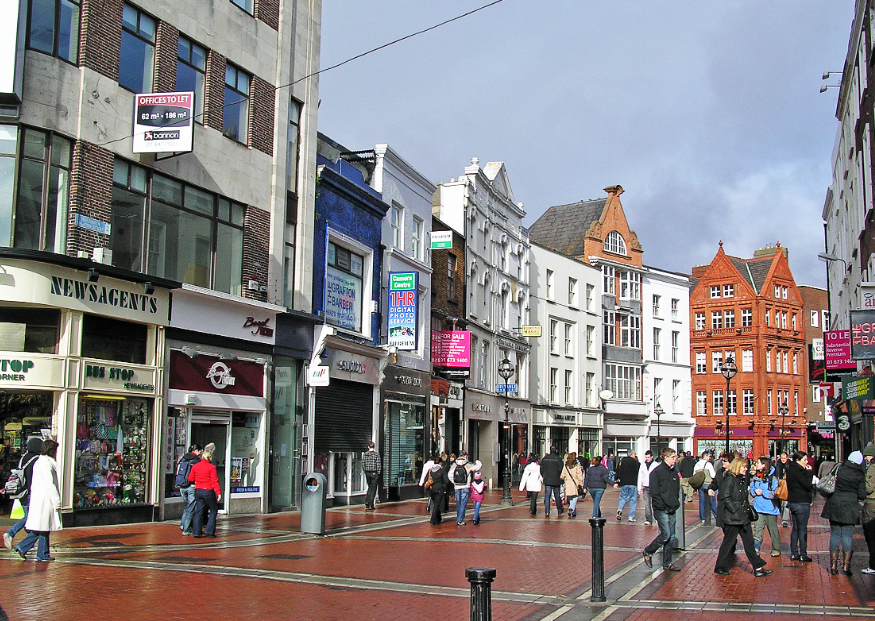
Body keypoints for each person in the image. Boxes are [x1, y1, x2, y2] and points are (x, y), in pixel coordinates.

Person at [713, 457, 771, 577]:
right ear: (737, 467)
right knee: (728, 543)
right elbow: (725, 497)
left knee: (749, 543)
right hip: (733, 518)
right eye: (744, 467)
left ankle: (758, 568)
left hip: (743, 517)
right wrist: (734, 510)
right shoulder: (730, 479)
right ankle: (720, 566)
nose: (746, 469)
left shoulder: (741, 480)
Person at [14, 439, 62, 562]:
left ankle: (39, 552)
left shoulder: (40, 462)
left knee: (42, 528)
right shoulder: (46, 464)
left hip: (40, 498)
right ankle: (36, 551)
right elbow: (50, 484)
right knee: (43, 528)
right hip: (45, 500)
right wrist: (57, 501)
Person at [821, 450, 867, 575]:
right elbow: (862, 494)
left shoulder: (839, 468)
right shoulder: (859, 474)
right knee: (847, 535)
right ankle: (846, 566)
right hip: (850, 507)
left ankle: (833, 565)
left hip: (834, 504)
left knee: (835, 534)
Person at [642, 448, 681, 572]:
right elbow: (654, 492)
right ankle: (648, 551)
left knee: (671, 537)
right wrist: (661, 505)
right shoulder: (656, 472)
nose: (675, 459)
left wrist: (675, 502)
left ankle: (667, 563)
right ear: (665, 458)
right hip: (661, 509)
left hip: (672, 507)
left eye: (675, 457)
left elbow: (676, 489)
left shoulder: (674, 471)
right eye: (673, 457)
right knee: (666, 535)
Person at [3, 437, 43, 550]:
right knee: (31, 517)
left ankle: (30, 541)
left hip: (21, 492)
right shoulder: (37, 459)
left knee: (29, 517)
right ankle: (11, 533)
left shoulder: (23, 458)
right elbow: (33, 479)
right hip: (30, 492)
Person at [786, 451, 815, 562]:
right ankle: (803, 553)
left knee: (795, 529)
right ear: (798, 461)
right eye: (804, 460)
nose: (806, 462)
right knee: (802, 529)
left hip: (793, 502)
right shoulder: (799, 471)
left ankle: (794, 553)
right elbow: (807, 484)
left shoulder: (790, 469)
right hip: (802, 502)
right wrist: (809, 472)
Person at [749, 457, 781, 558]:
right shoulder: (755, 477)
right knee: (758, 528)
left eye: (758, 463)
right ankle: (756, 548)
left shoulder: (772, 478)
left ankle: (776, 548)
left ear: (764, 465)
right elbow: (752, 489)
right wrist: (754, 492)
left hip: (770, 508)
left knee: (773, 529)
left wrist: (764, 492)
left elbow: (775, 493)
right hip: (758, 507)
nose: (756, 465)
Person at [189, 446, 222, 538]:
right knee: (213, 509)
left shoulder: (196, 466)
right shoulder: (211, 467)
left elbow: (190, 478)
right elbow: (214, 481)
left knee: (199, 511)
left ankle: (197, 532)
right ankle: (209, 530)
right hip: (208, 490)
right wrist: (218, 493)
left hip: (198, 490)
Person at [448, 450, 482, 525]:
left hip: (457, 486)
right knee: (463, 503)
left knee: (458, 503)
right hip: (465, 486)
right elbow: (478, 467)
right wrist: (478, 461)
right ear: (465, 456)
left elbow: (449, 475)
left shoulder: (454, 464)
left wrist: (454, 482)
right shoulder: (468, 464)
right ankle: (460, 520)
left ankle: (459, 518)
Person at [178, 444, 202, 536]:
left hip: (182, 485)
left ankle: (183, 524)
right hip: (191, 486)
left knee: (186, 506)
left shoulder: (183, 458)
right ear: (197, 451)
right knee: (191, 508)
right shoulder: (196, 461)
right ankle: (186, 529)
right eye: (200, 451)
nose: (201, 453)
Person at [614, 451, 640, 521]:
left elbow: (618, 471)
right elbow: (639, 473)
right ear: (632, 454)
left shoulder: (621, 461)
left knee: (623, 498)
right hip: (633, 483)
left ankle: (620, 509)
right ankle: (631, 516)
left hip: (624, 483)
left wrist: (616, 480)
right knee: (633, 500)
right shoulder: (636, 463)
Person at [694, 451, 718, 525]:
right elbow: (713, 475)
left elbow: (694, 474)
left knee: (702, 501)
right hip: (708, 484)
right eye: (709, 456)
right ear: (706, 456)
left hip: (700, 484)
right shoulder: (708, 464)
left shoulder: (697, 464)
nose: (710, 458)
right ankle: (717, 516)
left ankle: (703, 517)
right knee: (712, 501)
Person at [540, 446, 564, 517]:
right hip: (556, 480)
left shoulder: (545, 459)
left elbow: (541, 469)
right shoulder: (558, 459)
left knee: (547, 496)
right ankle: (559, 510)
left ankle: (547, 511)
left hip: (547, 480)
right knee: (557, 495)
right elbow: (561, 469)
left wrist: (544, 476)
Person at [862, 444, 875, 575]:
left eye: (867, 456)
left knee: (871, 534)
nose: (866, 458)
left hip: (872, 504)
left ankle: (873, 565)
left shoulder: (872, 468)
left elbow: (869, 487)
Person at [424, 459, 449, 525]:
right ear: (440, 463)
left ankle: (438, 518)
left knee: (436, 504)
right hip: (440, 489)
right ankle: (433, 519)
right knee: (436, 505)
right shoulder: (442, 470)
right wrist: (445, 488)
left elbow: (427, 479)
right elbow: (446, 481)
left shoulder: (431, 470)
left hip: (432, 489)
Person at [561, 452, 584, 518]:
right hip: (575, 483)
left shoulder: (566, 466)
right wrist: (581, 484)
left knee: (570, 498)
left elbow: (562, 475)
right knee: (575, 497)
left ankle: (573, 512)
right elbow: (579, 476)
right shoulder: (576, 466)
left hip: (568, 483)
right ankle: (571, 508)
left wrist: (562, 478)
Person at [638, 450, 658, 525]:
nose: (647, 459)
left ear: (652, 457)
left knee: (654, 503)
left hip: (654, 487)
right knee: (647, 504)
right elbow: (640, 476)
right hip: (645, 487)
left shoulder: (656, 465)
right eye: (646, 457)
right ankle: (648, 519)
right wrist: (639, 488)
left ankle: (656, 518)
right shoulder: (642, 465)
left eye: (648, 457)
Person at [362, 441, 381, 511]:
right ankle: (370, 504)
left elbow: (363, 463)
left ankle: (367, 502)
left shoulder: (365, 454)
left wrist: (365, 470)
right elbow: (378, 464)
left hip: (367, 472)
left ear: (368, 447)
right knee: (373, 488)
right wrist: (377, 473)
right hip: (374, 472)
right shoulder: (376, 455)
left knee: (370, 487)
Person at [775, 451, 791, 526]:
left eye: (784, 458)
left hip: (786, 485)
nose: (783, 460)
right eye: (782, 458)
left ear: (787, 458)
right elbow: (776, 474)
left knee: (785, 503)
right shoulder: (778, 464)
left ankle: (785, 520)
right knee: (780, 504)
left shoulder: (790, 465)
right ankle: (782, 515)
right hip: (779, 485)